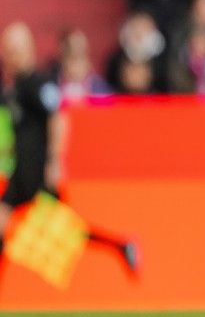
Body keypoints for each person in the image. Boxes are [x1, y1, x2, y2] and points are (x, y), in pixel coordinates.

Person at [0, 24, 140, 295]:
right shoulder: (14, 88)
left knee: (66, 230)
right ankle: (121, 246)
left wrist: (55, 160)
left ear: (28, 51)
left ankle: (121, 245)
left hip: (37, 171)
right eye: (7, 51)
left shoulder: (38, 84)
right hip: (22, 171)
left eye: (14, 50)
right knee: (9, 222)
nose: (10, 56)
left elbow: (59, 117)